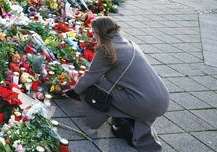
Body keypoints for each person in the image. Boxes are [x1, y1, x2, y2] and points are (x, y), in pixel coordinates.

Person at [64, 17, 169, 152]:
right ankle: (127, 122)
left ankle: (96, 121)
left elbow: (90, 77)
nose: (93, 35)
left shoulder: (107, 49)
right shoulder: (130, 44)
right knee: (111, 85)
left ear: (100, 32)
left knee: (95, 87)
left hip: (144, 104)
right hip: (161, 100)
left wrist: (74, 91)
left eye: (94, 32)